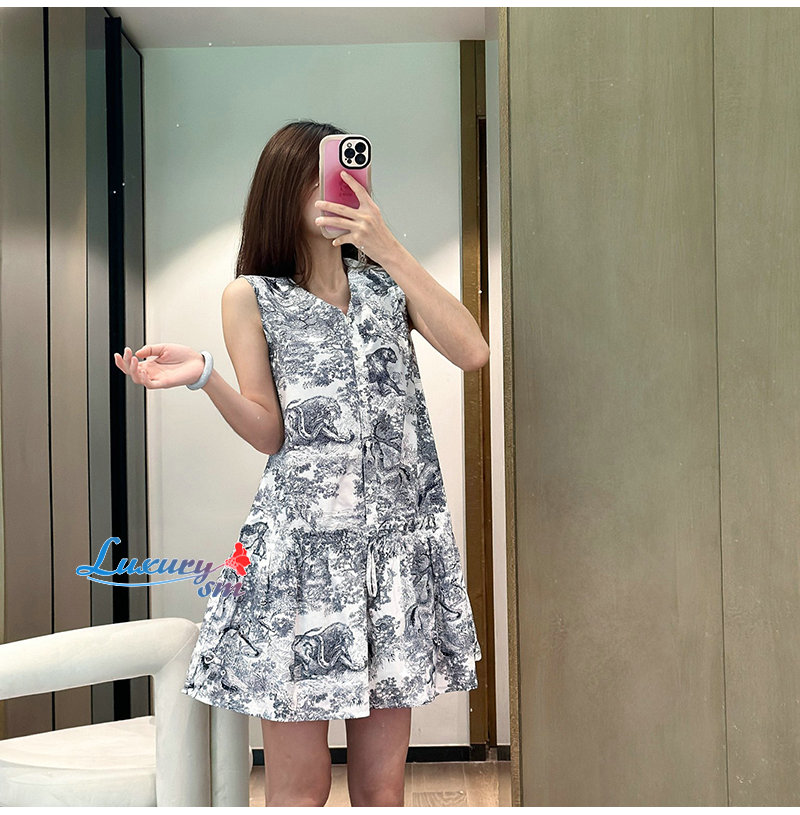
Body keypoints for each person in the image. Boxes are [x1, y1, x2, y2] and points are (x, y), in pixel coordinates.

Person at [113, 119, 489, 807]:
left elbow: (473, 351)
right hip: (300, 563)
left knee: (382, 789)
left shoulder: (386, 285)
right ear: (283, 191)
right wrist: (206, 377)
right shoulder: (252, 296)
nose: (335, 191)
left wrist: (387, 245)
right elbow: (268, 431)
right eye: (319, 178)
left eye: (345, 175)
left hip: (392, 558)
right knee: (300, 787)